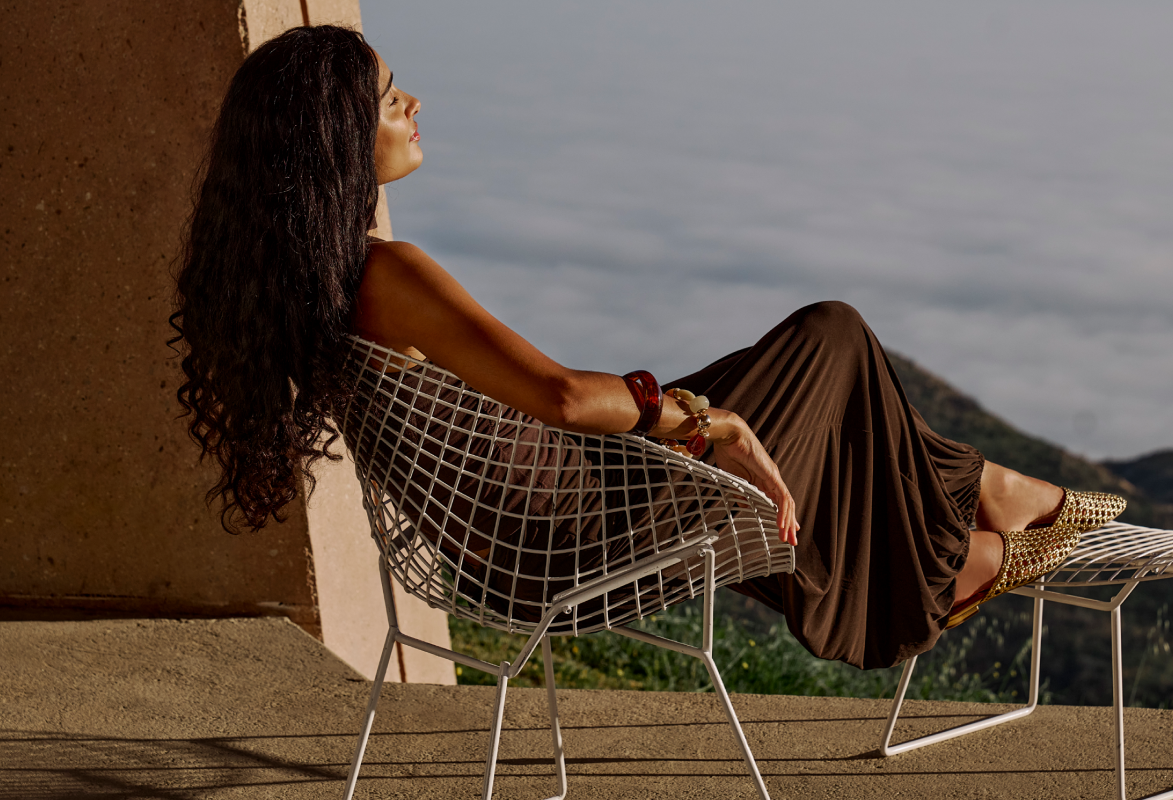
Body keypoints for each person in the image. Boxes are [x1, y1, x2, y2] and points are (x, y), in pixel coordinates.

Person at [170, 26, 1122, 670]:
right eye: (386, 98)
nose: (412, 101)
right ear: (338, 138)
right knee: (831, 335)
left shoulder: (314, 291)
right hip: (576, 535)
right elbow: (560, 395)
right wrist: (706, 420)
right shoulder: (389, 275)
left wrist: (692, 423)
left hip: (520, 538)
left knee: (813, 375)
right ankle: (979, 516)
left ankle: (975, 512)